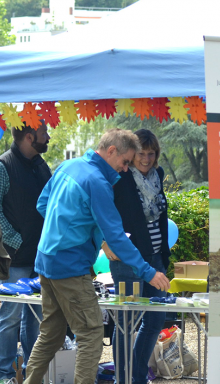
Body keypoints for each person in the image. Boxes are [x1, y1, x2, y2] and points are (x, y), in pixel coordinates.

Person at [24, 129, 170, 384]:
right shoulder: (97, 182)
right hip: (69, 267)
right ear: (111, 151)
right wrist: (149, 272)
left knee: (51, 333)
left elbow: (42, 205)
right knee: (91, 333)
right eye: (125, 161)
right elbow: (116, 237)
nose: (125, 169)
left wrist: (67, 228)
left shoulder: (68, 165)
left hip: (46, 261)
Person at [0, 121, 51, 384]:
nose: (48, 137)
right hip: (15, 260)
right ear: (30, 137)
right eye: (44, 133)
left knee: (35, 319)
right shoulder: (0, 167)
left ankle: (34, 376)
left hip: (40, 258)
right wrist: (17, 242)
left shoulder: (40, 165)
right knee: (11, 318)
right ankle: (5, 377)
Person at [105, 129, 169, 384]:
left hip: (156, 259)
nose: (146, 159)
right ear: (130, 156)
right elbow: (102, 210)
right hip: (127, 261)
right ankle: (123, 379)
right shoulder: (118, 176)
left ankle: (138, 377)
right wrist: (103, 240)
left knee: (155, 320)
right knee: (125, 324)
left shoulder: (159, 175)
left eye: (151, 154)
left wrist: (163, 254)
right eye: (141, 154)